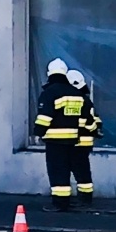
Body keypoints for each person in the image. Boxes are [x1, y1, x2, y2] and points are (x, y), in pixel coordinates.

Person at [33, 58, 87, 210]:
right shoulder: (76, 93)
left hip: (55, 140)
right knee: (69, 169)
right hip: (73, 140)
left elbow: (45, 117)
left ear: (49, 73)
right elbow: (82, 118)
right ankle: (68, 201)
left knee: (58, 171)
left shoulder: (50, 93)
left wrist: (38, 133)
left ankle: (60, 203)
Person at [67, 69, 97, 209]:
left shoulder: (79, 101)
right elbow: (94, 122)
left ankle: (85, 199)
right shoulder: (86, 100)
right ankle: (85, 197)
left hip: (77, 142)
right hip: (83, 142)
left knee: (80, 170)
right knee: (82, 170)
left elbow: (87, 122)